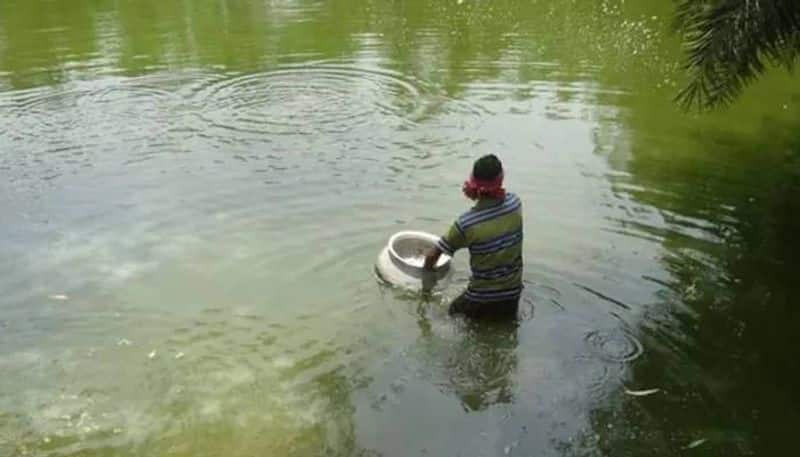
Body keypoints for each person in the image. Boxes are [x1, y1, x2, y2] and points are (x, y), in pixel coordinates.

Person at [423, 154, 523, 319]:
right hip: (512, 297)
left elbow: (433, 256)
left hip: (480, 300)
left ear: (472, 181)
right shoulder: (515, 205)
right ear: (501, 179)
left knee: (447, 314)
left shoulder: (466, 224)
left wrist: (425, 287)